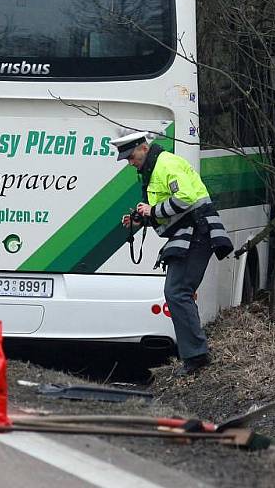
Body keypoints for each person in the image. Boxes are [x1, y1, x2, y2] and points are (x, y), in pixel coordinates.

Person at [113, 131, 233, 376]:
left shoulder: (165, 163)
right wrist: (142, 218)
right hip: (190, 232)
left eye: (132, 156)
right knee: (177, 292)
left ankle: (196, 357)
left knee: (177, 292)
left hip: (198, 232)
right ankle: (195, 355)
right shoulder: (154, 167)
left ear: (144, 148)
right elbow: (169, 211)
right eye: (126, 159)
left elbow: (186, 198)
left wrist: (152, 209)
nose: (130, 162)